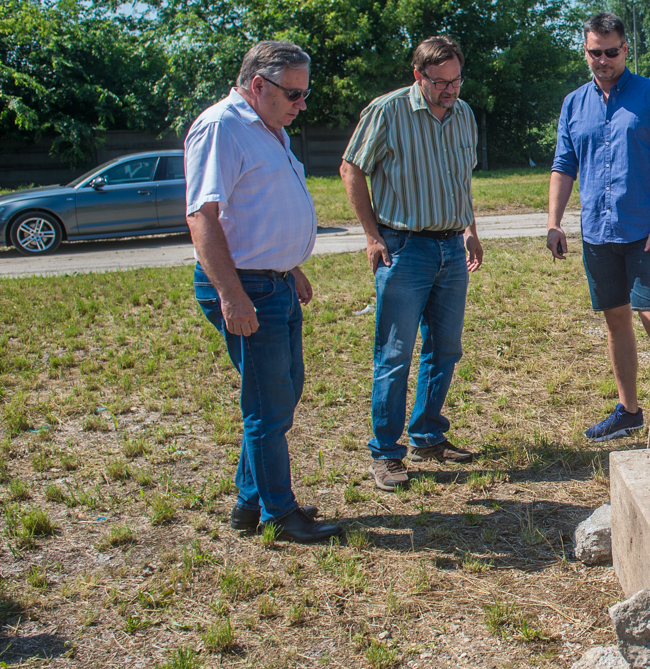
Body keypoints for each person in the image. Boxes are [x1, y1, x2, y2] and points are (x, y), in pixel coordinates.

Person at [185, 41, 343, 544]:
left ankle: (249, 504)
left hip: (272, 281)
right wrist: (231, 294)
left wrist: (289, 265)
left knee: (281, 394)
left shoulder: (270, 129)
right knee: (268, 406)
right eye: (294, 94)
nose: (301, 105)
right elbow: (202, 217)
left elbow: (256, 211)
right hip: (245, 285)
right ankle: (280, 512)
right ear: (258, 85)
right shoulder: (222, 127)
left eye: (304, 93)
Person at [340, 36, 484, 491]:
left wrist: (470, 229)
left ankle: (427, 434)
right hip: (404, 248)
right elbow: (351, 168)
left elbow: (461, 180)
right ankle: (385, 454)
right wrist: (370, 234)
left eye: (456, 79)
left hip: (450, 248)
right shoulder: (386, 111)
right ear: (418, 75)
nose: (450, 90)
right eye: (440, 82)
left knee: (446, 348)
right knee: (395, 354)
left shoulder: (464, 115)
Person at [546, 12, 650, 446]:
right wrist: (554, 221)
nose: (603, 59)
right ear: (586, 51)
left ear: (625, 49)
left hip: (645, 233)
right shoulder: (574, 103)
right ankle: (628, 410)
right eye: (595, 52)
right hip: (597, 233)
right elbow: (563, 164)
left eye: (612, 52)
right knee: (615, 319)